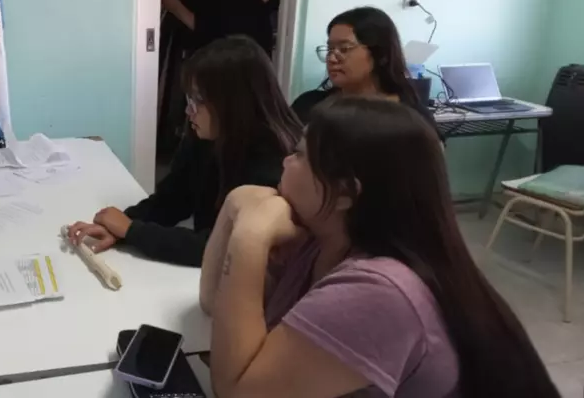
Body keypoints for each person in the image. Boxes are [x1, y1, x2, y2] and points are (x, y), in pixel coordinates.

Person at [199, 97, 558, 397]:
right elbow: (214, 301)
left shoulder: (379, 292)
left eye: (299, 154)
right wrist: (233, 204)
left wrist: (249, 236)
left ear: (344, 192)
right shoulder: (322, 239)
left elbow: (237, 390)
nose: (285, 161)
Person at [67, 36, 302, 267]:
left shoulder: (273, 163)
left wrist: (131, 230)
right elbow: (174, 198)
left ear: (233, 103)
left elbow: (222, 247)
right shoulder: (207, 136)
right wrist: (118, 225)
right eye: (189, 99)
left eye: (198, 100)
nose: (189, 111)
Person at [291, 6, 437, 131]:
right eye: (330, 49)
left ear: (381, 54)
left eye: (344, 48)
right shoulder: (309, 104)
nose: (332, 59)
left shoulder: (412, 118)